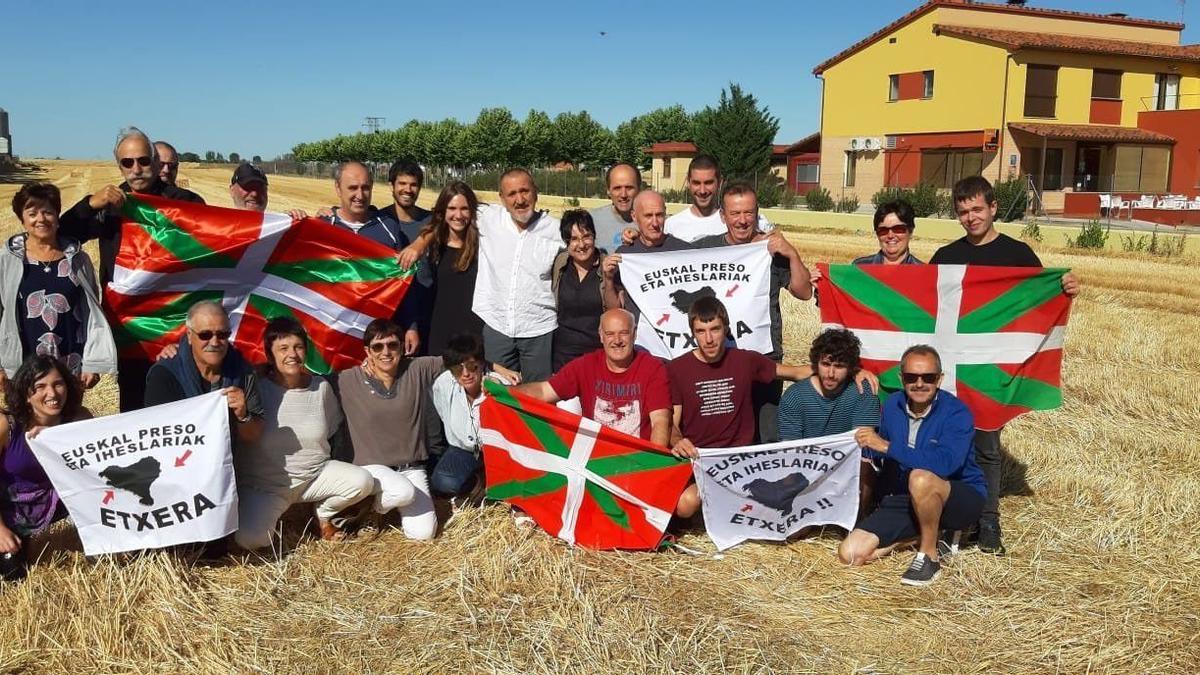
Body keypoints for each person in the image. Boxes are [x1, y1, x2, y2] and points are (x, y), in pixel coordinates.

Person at [929, 175, 1080, 556]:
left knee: (987, 446)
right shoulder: (945, 257)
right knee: (944, 442)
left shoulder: (1019, 254)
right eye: (963, 211)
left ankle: (988, 518)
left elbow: (1038, 302)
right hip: (950, 366)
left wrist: (1064, 289)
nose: (970, 217)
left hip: (992, 369)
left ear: (993, 208)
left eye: (977, 209)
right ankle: (951, 517)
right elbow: (917, 304)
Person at [58, 127, 205, 411]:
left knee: (185, 405)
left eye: (143, 160)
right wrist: (90, 204)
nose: (136, 169)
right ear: (119, 166)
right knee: (135, 406)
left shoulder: (186, 203)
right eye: (127, 163)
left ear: (154, 160)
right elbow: (63, 234)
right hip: (130, 327)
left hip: (175, 322)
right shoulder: (108, 205)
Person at [840, 345, 987, 587]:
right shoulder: (892, 406)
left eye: (928, 377)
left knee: (921, 478)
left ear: (939, 379)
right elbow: (883, 461)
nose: (919, 384)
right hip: (907, 497)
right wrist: (867, 453)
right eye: (911, 377)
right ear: (901, 378)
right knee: (851, 554)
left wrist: (886, 446)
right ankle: (931, 530)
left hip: (958, 495)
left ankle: (929, 556)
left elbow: (946, 465)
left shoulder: (957, 413)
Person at [516, 310, 684, 517]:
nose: (617, 341)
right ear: (601, 336)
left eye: (623, 333)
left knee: (686, 504)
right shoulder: (586, 365)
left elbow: (660, 421)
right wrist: (504, 393)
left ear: (634, 334)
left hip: (637, 462)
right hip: (596, 463)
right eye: (610, 334)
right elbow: (543, 391)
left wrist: (650, 470)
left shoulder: (652, 368)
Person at [403, 169, 561, 382]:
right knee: (494, 394)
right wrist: (419, 244)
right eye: (512, 193)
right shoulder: (491, 217)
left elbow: (584, 243)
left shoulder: (556, 230)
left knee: (537, 395)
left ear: (536, 192)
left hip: (537, 328)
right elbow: (445, 218)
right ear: (501, 198)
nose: (520, 199)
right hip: (496, 326)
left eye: (525, 191)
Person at [666, 297, 817, 519]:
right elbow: (672, 424)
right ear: (692, 333)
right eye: (701, 331)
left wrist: (846, 369)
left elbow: (795, 372)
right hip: (702, 460)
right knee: (686, 506)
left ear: (726, 328)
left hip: (741, 462)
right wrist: (677, 440)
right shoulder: (677, 368)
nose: (708, 339)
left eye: (715, 329)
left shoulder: (745, 361)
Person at [234, 319, 373, 546]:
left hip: (315, 476)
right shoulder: (255, 388)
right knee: (250, 539)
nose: (293, 354)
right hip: (267, 487)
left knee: (363, 481)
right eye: (283, 348)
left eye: (298, 347)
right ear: (269, 355)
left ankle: (323, 512)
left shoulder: (321, 388)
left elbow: (330, 429)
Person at [693, 182, 812, 442]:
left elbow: (804, 293)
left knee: (766, 434)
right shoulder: (704, 249)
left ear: (757, 213)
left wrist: (791, 254)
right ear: (723, 216)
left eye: (749, 213)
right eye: (735, 213)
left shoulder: (772, 251)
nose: (742, 220)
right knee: (725, 434)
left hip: (766, 356)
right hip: (719, 360)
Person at [336, 319, 443, 541]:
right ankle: (371, 511)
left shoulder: (417, 368)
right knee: (403, 492)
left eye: (392, 345)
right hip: (371, 470)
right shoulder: (347, 379)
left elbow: (460, 360)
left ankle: (379, 507)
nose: (386, 352)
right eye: (378, 346)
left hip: (410, 467)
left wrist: (497, 370)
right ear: (367, 351)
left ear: (402, 347)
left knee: (423, 534)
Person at [2, 183, 117, 388]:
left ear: (57, 216)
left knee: (72, 417)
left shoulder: (78, 259)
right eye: (32, 213)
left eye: (48, 212)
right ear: (22, 219)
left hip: (71, 360)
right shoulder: (7, 260)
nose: (41, 219)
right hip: (24, 361)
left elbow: (91, 312)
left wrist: (92, 361)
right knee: (27, 419)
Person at [0, 356, 92, 582]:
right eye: (40, 386)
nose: (52, 394)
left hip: (58, 499)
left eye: (58, 384)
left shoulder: (80, 419)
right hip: (11, 509)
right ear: (26, 394)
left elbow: (97, 472)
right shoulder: (6, 425)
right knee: (13, 574)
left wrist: (56, 441)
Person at [778, 328, 881, 516]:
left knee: (864, 464)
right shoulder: (794, 396)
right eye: (826, 364)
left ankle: (856, 519)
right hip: (806, 468)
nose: (831, 373)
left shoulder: (863, 392)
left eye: (839, 366)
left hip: (846, 468)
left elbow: (863, 442)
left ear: (851, 368)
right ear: (816, 363)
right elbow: (790, 450)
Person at [322, 161, 418, 355]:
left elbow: (402, 283)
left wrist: (411, 326)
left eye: (365, 188)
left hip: (379, 341)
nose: (360, 195)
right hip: (334, 336)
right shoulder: (323, 228)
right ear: (338, 189)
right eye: (353, 188)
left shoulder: (389, 228)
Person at [143, 300, 264, 447]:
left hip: (227, 466)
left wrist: (243, 416)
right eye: (205, 335)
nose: (214, 342)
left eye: (222, 335)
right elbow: (156, 439)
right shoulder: (165, 374)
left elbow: (254, 437)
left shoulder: (244, 372)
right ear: (189, 335)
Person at [428, 333, 510, 497]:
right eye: (458, 369)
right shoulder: (443, 384)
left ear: (481, 364)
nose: (465, 374)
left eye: (472, 366)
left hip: (499, 452)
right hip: (463, 449)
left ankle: (489, 483)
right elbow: (443, 413)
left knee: (508, 490)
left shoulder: (500, 385)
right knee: (442, 482)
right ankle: (478, 481)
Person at [605, 190, 691, 317]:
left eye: (660, 215)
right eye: (648, 216)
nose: (655, 223)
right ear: (634, 216)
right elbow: (615, 309)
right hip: (638, 334)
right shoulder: (624, 255)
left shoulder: (685, 252)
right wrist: (608, 279)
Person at [422, 182, 485, 357]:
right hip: (440, 330)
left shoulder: (484, 245)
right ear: (443, 211)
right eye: (452, 208)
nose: (458, 215)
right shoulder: (433, 246)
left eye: (464, 208)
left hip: (474, 332)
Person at [379, 160, 435, 352]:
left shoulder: (432, 222)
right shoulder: (378, 220)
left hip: (428, 313)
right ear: (391, 186)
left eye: (413, 184)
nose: (408, 189)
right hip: (392, 315)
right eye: (402, 184)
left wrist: (422, 242)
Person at [551, 210, 610, 372]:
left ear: (594, 236)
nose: (582, 245)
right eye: (574, 239)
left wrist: (610, 278)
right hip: (562, 357)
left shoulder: (607, 267)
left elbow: (615, 308)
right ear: (566, 242)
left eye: (586, 236)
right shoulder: (560, 264)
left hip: (597, 356)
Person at [663, 155, 770, 243]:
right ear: (688, 182)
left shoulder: (750, 222)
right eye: (696, 183)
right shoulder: (672, 225)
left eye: (708, 183)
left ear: (720, 182)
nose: (702, 190)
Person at [228, 161, 308, 220]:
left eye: (260, 188)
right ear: (232, 190)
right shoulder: (219, 230)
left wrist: (294, 222)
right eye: (248, 187)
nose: (255, 194)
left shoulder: (280, 229)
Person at [589, 163, 640, 252]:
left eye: (629, 188)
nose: (623, 194)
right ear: (608, 191)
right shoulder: (591, 220)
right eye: (617, 188)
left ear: (639, 189)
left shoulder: (652, 222)